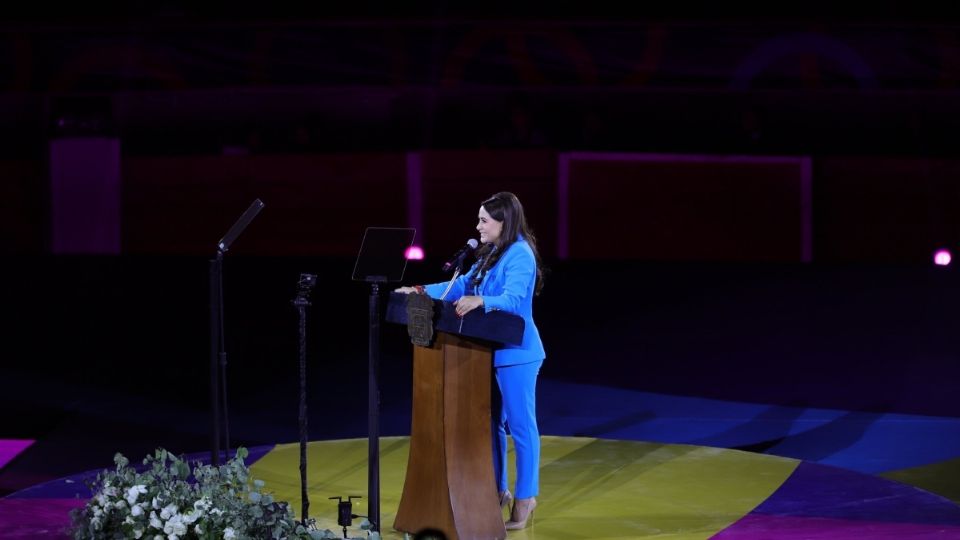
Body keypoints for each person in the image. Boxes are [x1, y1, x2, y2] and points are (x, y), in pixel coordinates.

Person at [396, 192, 545, 530]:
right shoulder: (491, 252)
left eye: (484, 221)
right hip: (486, 353)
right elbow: (460, 284)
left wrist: (480, 300)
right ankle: (495, 491)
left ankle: (526, 498)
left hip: (517, 355)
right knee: (490, 427)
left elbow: (512, 298)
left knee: (521, 428)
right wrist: (419, 290)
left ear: (503, 223)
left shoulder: (520, 253)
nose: (477, 226)